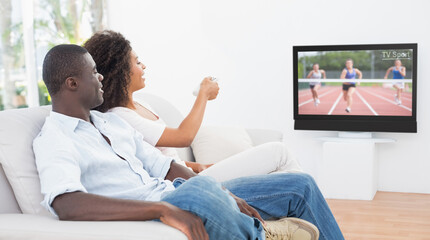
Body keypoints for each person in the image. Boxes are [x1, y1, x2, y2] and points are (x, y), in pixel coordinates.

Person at [33, 44, 345, 240]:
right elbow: (66, 203)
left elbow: (165, 166)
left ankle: (238, 213)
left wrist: (222, 191)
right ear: (72, 83)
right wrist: (161, 209)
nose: (100, 78)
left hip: (180, 192)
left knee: (299, 185)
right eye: (93, 73)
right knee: (201, 191)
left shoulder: (110, 122)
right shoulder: (55, 139)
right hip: (164, 202)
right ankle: (262, 235)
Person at [83, 30, 302, 182]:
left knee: (279, 172)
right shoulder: (120, 117)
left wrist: (199, 167)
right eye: (137, 62)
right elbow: (183, 137)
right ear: (120, 72)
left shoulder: (141, 103)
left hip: (192, 175)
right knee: (278, 152)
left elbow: (167, 158)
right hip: (183, 186)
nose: (144, 66)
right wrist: (203, 95)